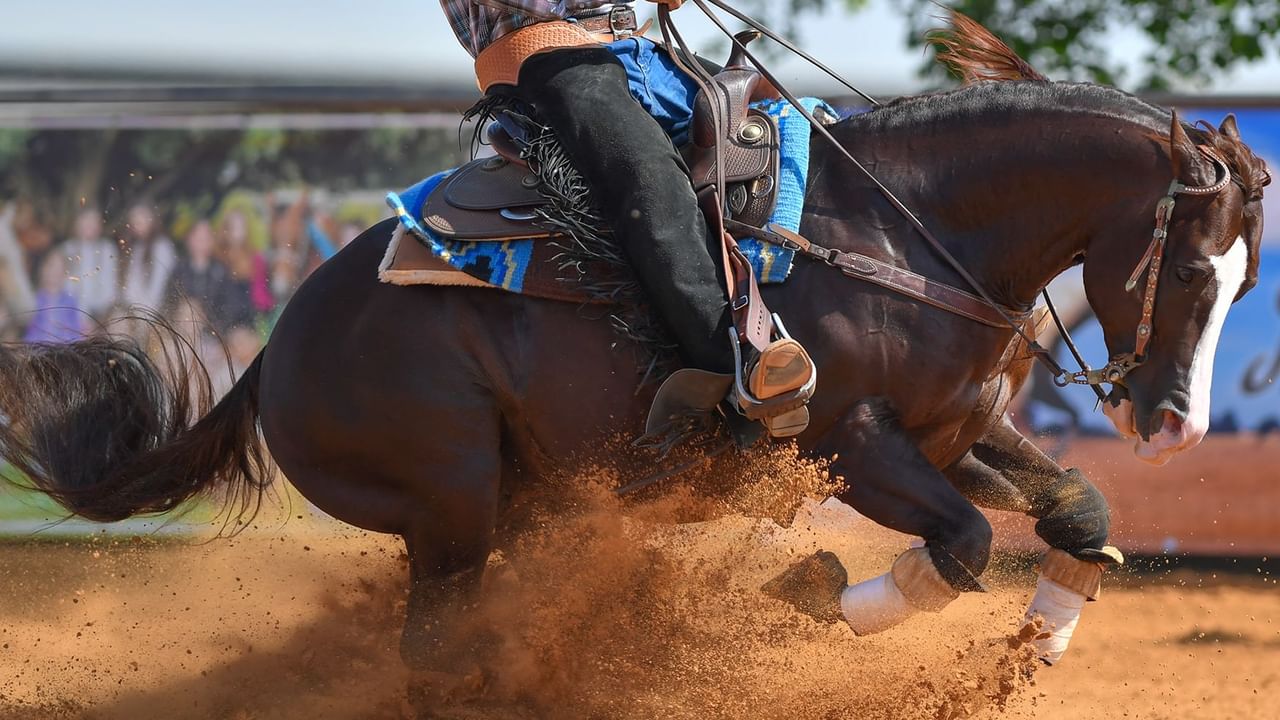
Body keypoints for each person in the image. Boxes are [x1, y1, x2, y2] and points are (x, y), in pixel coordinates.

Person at [439, 0, 815, 436]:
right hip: (543, 54)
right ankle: (737, 371)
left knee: (787, 118)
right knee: (647, 176)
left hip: (636, 47)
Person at [63, 206, 118, 323]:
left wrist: (101, 315)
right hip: (70, 313)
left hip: (101, 315)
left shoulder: (107, 249)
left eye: (94, 221)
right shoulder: (68, 249)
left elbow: (110, 286)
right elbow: (66, 285)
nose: (90, 225)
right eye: (86, 220)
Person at [119, 203, 177, 313]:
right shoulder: (134, 248)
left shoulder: (162, 247)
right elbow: (127, 285)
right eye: (135, 221)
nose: (138, 224)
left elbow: (158, 287)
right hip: (130, 310)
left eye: (142, 220)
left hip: (153, 311)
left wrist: (143, 313)